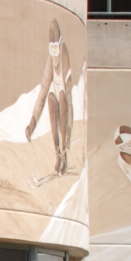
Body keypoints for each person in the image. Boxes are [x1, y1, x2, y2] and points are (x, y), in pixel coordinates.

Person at [26, 19, 75, 177]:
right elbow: (42, 94)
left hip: (65, 101)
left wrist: (69, 131)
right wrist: (32, 124)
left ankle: (64, 154)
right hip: (56, 98)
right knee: (51, 98)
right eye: (51, 49)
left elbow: (69, 100)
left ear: (60, 46)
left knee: (61, 95)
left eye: (55, 49)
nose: (54, 55)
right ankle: (57, 154)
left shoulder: (64, 57)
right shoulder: (51, 59)